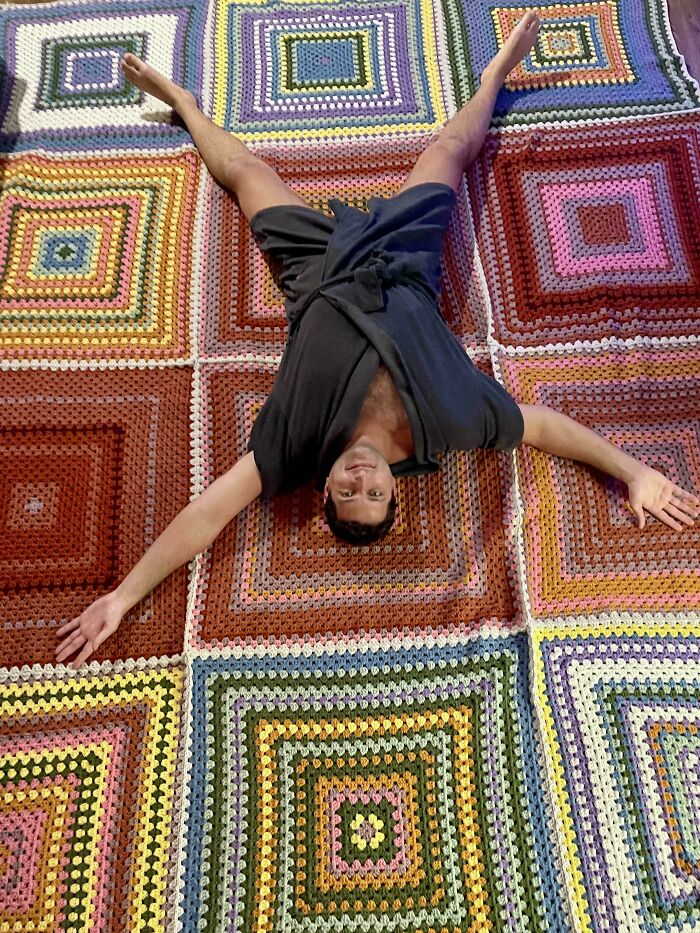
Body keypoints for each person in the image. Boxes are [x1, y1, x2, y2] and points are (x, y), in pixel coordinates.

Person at [55, 11, 699, 669]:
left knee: (247, 171)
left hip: (316, 272)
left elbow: (206, 517)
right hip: (403, 263)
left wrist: (123, 595)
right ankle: (495, 76)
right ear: (397, 487)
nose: (361, 480)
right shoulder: (450, 425)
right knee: (448, 153)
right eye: (377, 494)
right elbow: (544, 428)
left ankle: (187, 107)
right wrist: (635, 472)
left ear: (323, 489)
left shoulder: (293, 446)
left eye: (346, 493)